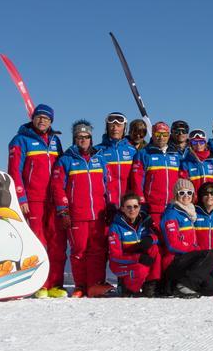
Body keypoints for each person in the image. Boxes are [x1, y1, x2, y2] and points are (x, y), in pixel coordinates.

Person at [7, 103, 67, 297]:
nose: (42, 120)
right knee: (38, 241)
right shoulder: (20, 140)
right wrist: (20, 197)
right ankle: (39, 284)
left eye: (46, 118)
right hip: (34, 198)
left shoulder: (55, 141)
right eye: (39, 117)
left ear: (51, 122)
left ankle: (55, 284)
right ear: (33, 118)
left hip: (55, 200)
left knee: (57, 241)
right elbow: (14, 171)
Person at [51, 120, 110, 298]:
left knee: (98, 251)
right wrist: (63, 210)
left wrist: (110, 207)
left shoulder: (99, 158)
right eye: (79, 137)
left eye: (86, 137)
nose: (83, 140)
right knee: (79, 251)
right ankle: (80, 286)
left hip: (98, 214)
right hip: (77, 214)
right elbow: (57, 186)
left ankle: (95, 284)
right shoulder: (66, 160)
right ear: (74, 139)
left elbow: (108, 185)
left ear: (91, 138)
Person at [159, 179, 213, 298]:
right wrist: (193, 249)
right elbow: (172, 245)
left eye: (189, 193)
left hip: (187, 259)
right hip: (175, 259)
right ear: (176, 195)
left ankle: (178, 285)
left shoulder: (190, 211)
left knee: (211, 289)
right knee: (210, 255)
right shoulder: (171, 214)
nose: (186, 196)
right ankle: (183, 286)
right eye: (182, 193)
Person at [107, 193, 161, 297]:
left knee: (154, 249)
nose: (132, 210)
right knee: (141, 269)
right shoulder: (116, 227)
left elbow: (159, 237)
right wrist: (138, 258)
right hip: (121, 263)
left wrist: (151, 239)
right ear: (122, 209)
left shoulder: (145, 221)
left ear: (140, 207)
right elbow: (115, 256)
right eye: (129, 207)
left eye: (135, 206)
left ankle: (149, 285)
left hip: (138, 258)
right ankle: (129, 289)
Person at [129, 121, 182, 226]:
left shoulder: (175, 154)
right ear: (152, 135)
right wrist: (141, 203)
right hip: (153, 207)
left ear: (169, 135)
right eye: (158, 134)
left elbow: (182, 179)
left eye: (164, 134)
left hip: (173, 207)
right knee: (155, 237)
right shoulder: (144, 154)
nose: (161, 137)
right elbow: (137, 181)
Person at [97, 111, 137, 215]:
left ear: (124, 128)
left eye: (119, 125)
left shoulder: (132, 151)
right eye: (112, 125)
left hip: (128, 205)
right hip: (107, 205)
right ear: (107, 127)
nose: (115, 128)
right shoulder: (97, 151)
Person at [180, 129, 213, 200]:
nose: (198, 145)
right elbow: (184, 184)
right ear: (190, 144)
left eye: (201, 142)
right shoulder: (186, 162)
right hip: (195, 202)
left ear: (205, 143)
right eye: (194, 142)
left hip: (212, 201)